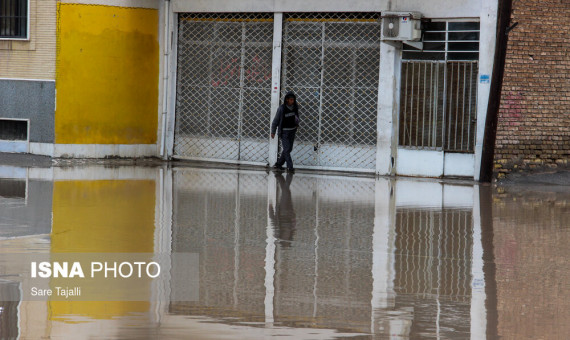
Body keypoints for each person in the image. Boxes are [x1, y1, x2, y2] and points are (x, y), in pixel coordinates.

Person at [271, 91, 299, 173]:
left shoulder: (295, 107)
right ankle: (290, 167)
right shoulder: (282, 108)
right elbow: (276, 121)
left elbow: (296, 117)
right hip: (284, 132)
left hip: (292, 131)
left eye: (293, 100)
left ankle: (278, 164)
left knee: (289, 149)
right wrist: (273, 131)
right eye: (290, 100)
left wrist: (297, 124)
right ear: (286, 100)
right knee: (286, 149)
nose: (292, 101)